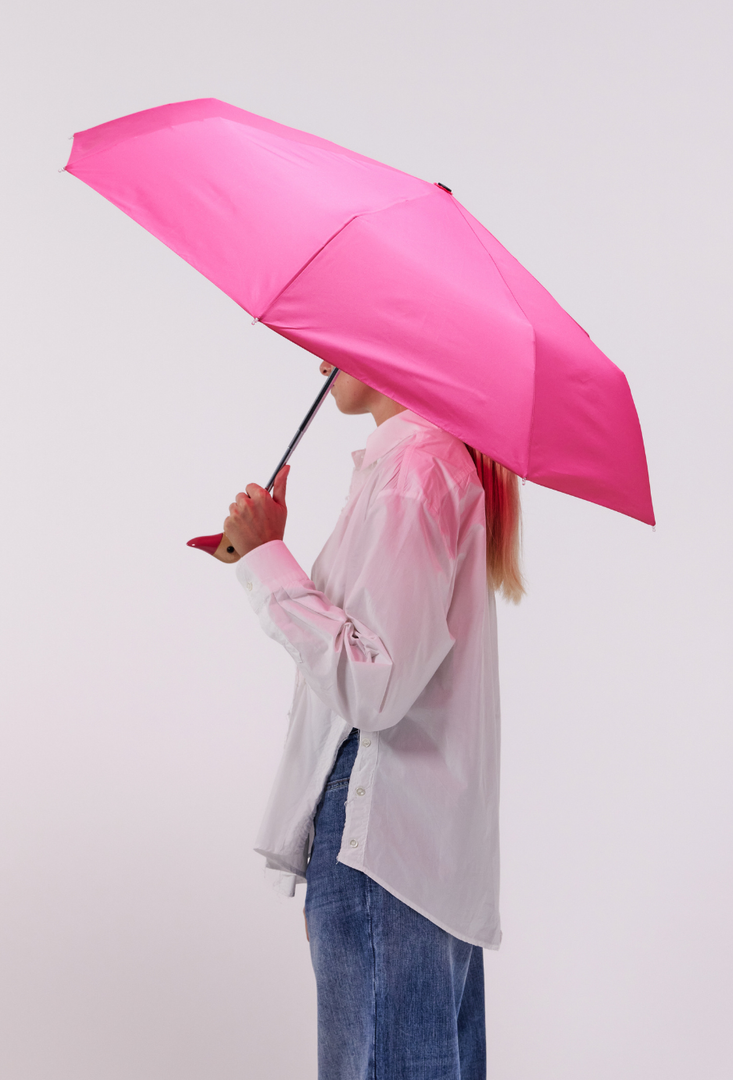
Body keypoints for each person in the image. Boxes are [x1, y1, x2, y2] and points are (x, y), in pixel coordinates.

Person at [222, 360, 523, 1080]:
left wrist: (269, 560)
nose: (318, 358)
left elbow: (371, 684)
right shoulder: (428, 466)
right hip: (419, 850)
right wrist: (270, 555)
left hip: (380, 838)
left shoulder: (413, 471)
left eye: (335, 337)